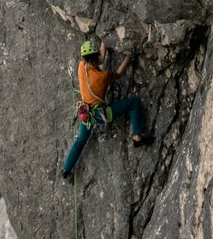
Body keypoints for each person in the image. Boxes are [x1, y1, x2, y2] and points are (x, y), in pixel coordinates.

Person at [62, 39, 152, 178]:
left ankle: (66, 170)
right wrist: (129, 57)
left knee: (81, 140)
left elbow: (101, 58)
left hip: (86, 113)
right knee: (134, 102)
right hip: (101, 114)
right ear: (95, 56)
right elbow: (118, 74)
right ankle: (137, 137)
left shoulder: (81, 65)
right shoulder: (102, 76)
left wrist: (104, 40)